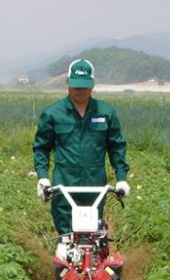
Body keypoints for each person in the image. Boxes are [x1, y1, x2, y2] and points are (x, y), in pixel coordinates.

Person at [32, 58, 130, 243]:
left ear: (92, 85)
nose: (80, 91)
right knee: (66, 240)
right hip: (64, 185)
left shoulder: (105, 112)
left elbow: (116, 146)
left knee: (93, 238)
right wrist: (43, 177)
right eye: (76, 86)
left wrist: (122, 178)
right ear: (68, 83)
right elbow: (41, 148)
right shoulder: (53, 113)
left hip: (95, 185)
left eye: (85, 86)